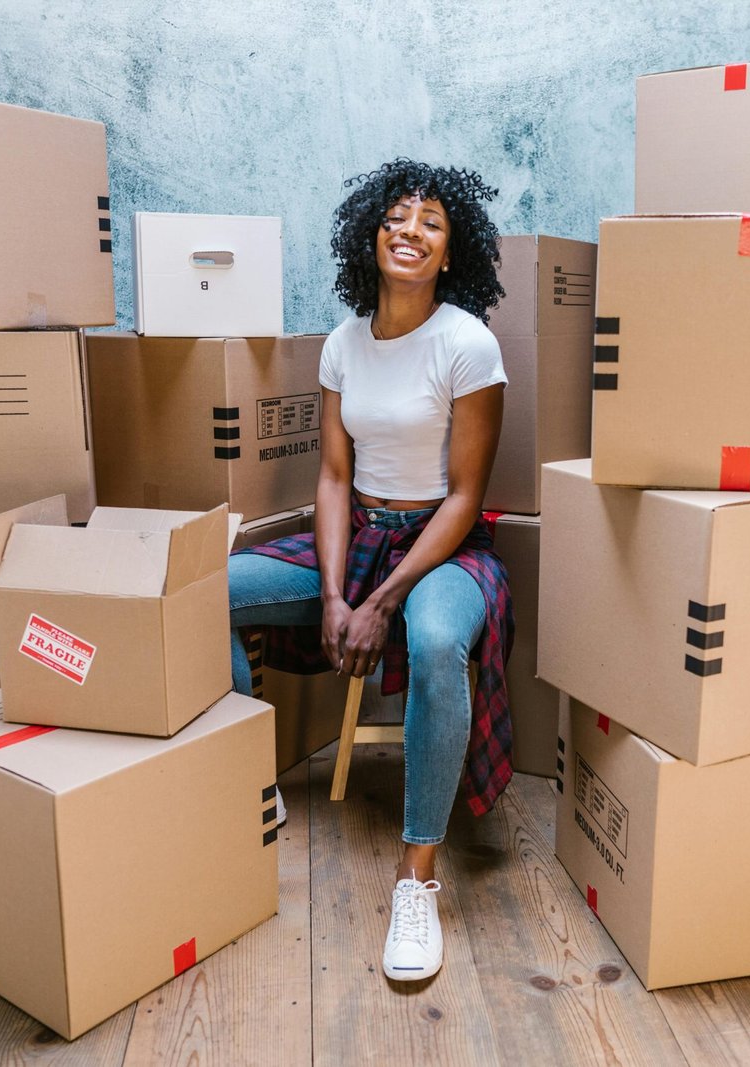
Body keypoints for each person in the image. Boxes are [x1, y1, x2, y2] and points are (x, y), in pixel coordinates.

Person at [229, 159, 514, 982]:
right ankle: (247, 783)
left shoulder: (468, 342)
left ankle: (417, 879)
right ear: (372, 234)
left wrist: (380, 599)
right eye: (397, 216)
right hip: (360, 536)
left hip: (445, 548)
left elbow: (466, 496)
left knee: (432, 641)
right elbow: (331, 477)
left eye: (432, 222)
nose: (410, 230)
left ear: (452, 252)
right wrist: (330, 593)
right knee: (203, 592)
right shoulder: (343, 342)